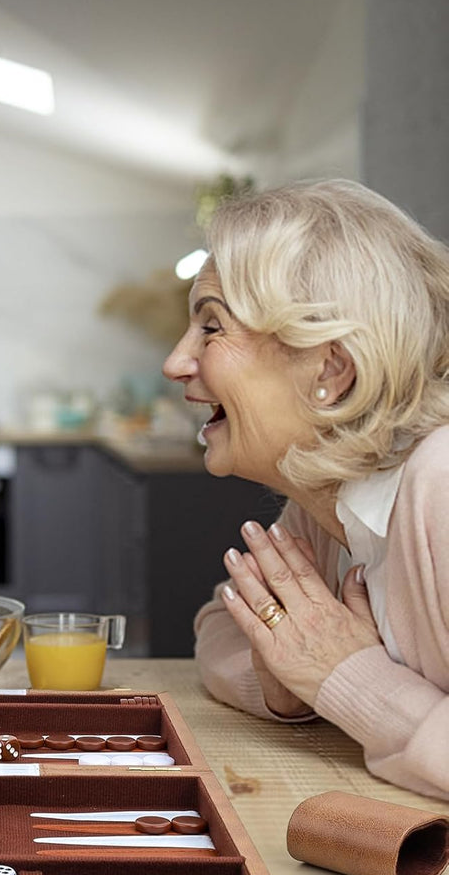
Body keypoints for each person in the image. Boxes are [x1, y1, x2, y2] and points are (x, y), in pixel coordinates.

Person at [163, 178, 449, 801]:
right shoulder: (325, 504)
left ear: (330, 369)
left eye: (211, 327)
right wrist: (286, 680)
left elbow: (337, 673)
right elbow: (222, 626)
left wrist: (347, 680)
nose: (176, 362)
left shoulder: (441, 485)